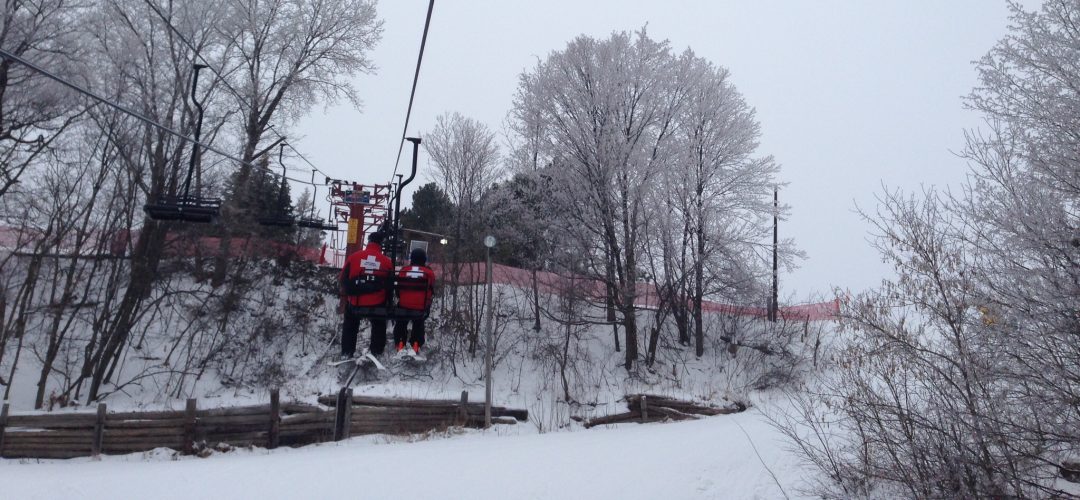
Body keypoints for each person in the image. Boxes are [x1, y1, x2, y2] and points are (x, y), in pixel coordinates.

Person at [339, 231, 392, 359]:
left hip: (356, 304)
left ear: (368, 242)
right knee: (379, 322)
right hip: (377, 304)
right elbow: (390, 286)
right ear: (381, 244)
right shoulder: (387, 262)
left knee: (350, 321)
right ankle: (377, 351)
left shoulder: (354, 257)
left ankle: (347, 351)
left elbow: (342, 278)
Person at [393, 247, 436, 358]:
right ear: (424, 259)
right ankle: (416, 344)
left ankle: (400, 343)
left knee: (401, 321)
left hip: (404, 306)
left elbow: (398, 291)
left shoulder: (403, 270)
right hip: (420, 308)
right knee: (419, 322)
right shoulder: (429, 273)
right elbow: (431, 291)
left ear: (411, 258)